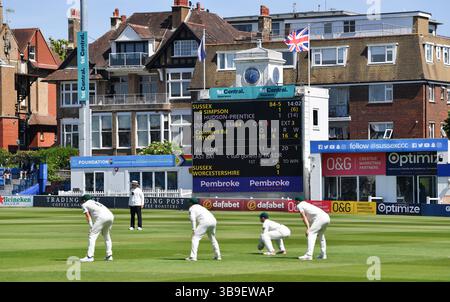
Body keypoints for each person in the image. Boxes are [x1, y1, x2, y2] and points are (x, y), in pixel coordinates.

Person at [79, 195, 115, 263]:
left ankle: (89, 257)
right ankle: (109, 255)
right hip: (111, 216)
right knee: (106, 236)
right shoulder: (95, 202)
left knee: (92, 236)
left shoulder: (84, 204)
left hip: (102, 217)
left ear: (84, 200)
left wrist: (91, 226)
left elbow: (87, 216)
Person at [295, 197, 330, 261]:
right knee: (321, 235)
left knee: (311, 233)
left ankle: (309, 255)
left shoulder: (299, 205)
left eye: (295, 202)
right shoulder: (306, 204)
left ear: (297, 201)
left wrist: (308, 229)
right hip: (327, 217)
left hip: (320, 218)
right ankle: (323, 254)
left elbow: (303, 217)